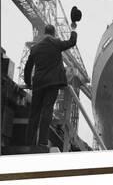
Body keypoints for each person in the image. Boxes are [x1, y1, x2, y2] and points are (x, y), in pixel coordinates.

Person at [24, 24, 77, 152]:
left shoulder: (35, 48)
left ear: (44, 33)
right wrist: (73, 29)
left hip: (38, 84)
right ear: (53, 33)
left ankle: (28, 142)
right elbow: (71, 42)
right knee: (47, 110)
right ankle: (42, 142)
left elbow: (27, 68)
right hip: (52, 83)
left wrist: (28, 83)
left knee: (34, 113)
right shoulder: (56, 43)